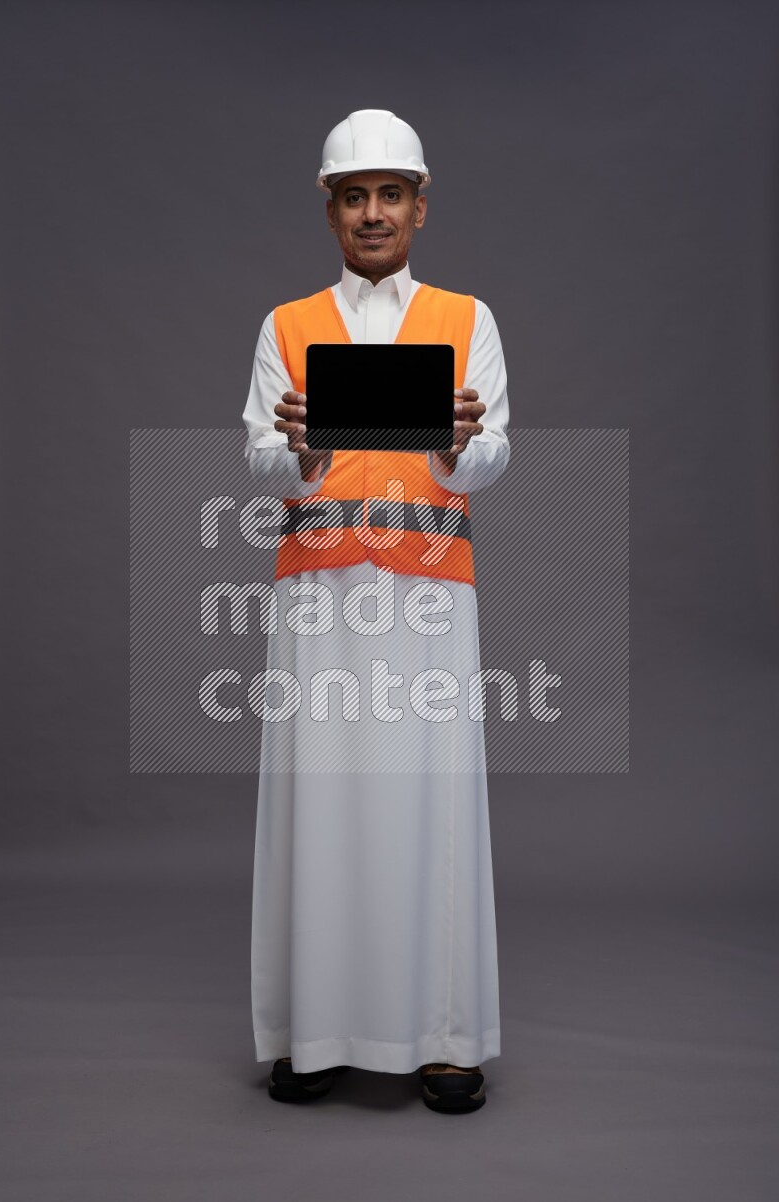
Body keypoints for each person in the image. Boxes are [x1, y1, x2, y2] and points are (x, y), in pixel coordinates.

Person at [241, 109, 510, 1113]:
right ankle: (314, 1032)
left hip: (429, 597)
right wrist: (300, 449)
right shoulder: (285, 325)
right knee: (319, 800)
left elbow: (491, 455)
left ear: (418, 207)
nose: (371, 211)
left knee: (426, 804)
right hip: (317, 597)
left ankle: (442, 1037)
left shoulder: (465, 319)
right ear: (330, 210)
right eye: (353, 195)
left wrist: (453, 439)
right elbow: (260, 456)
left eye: (389, 193)